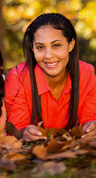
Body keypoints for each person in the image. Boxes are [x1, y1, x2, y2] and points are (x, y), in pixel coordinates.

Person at [5, 13, 96, 141]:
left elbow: (90, 117)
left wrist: (91, 126)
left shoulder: (86, 73)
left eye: (56, 45)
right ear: (32, 48)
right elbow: (17, 127)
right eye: (40, 47)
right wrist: (25, 132)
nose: (48, 55)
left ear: (71, 44)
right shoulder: (17, 77)